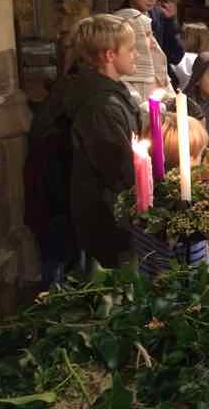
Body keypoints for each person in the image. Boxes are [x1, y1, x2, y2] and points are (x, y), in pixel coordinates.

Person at [63, 14, 142, 268]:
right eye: (131, 49)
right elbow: (119, 169)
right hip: (107, 216)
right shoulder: (102, 106)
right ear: (110, 55)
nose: (136, 54)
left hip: (113, 210)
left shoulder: (109, 94)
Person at [118, 0, 185, 87]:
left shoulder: (160, 16)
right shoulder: (119, 21)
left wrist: (171, 22)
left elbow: (176, 56)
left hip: (162, 84)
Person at [113, 7, 175, 109]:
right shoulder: (120, 82)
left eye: (152, 34)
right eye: (146, 34)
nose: (153, 41)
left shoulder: (157, 66)